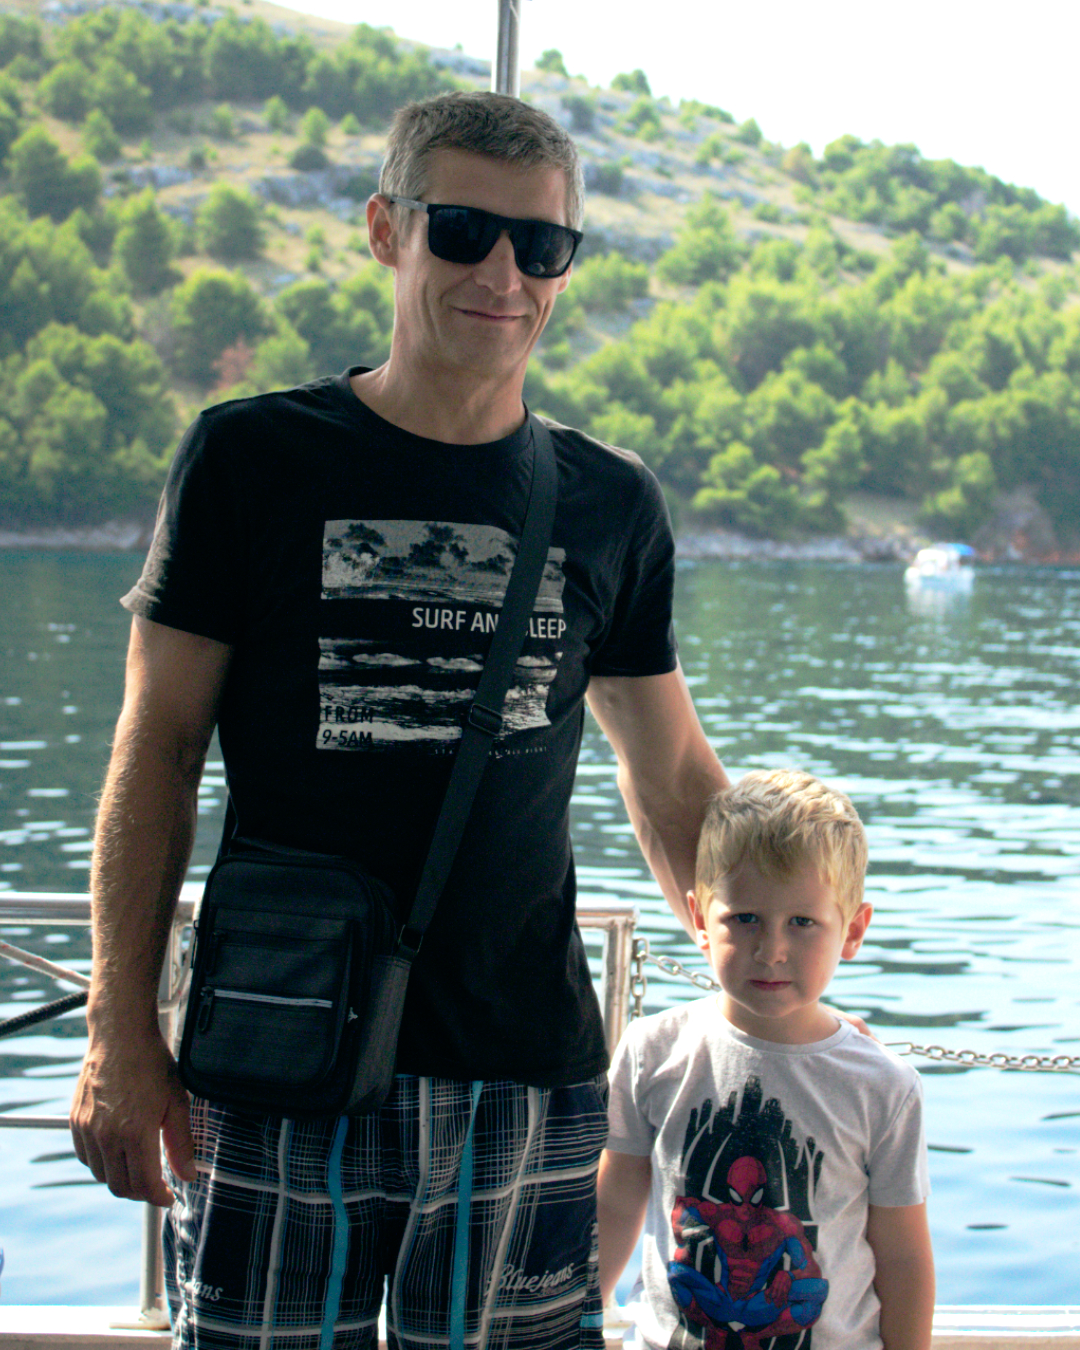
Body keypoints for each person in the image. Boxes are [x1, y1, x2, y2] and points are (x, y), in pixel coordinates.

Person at [69, 91, 730, 1350]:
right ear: (386, 230)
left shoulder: (610, 503)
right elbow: (154, 749)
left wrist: (772, 966)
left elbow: (671, 772)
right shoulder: (250, 460)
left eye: (542, 247)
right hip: (280, 1056)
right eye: (464, 231)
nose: (503, 272)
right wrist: (119, 1029)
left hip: (521, 1073)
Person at [598, 768, 934, 1350]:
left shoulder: (884, 1087)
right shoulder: (651, 1051)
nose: (771, 949)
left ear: (852, 931)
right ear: (701, 919)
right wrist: (580, 1316)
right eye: (744, 918)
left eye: (802, 923)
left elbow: (902, 1258)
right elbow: (615, 1198)